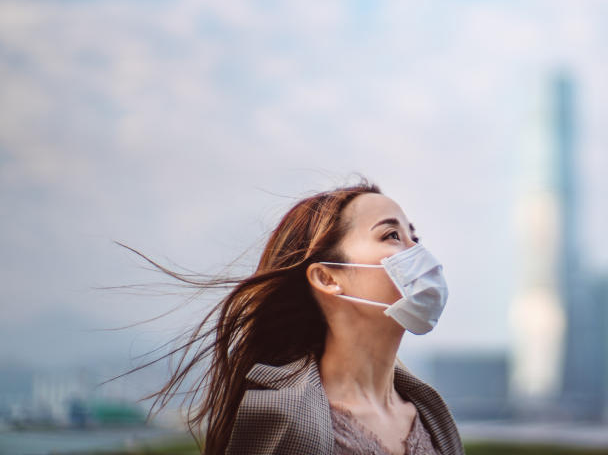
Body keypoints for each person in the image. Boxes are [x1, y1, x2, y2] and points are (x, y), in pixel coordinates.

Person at [127, 180, 463, 455]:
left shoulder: (428, 414)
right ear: (328, 278)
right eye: (392, 235)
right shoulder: (285, 421)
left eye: (414, 238)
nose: (418, 253)